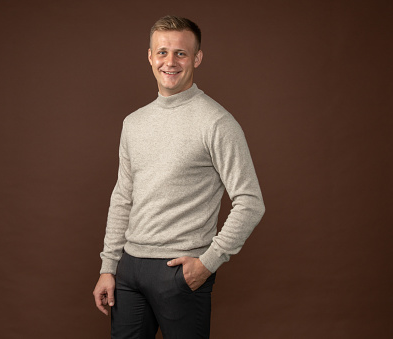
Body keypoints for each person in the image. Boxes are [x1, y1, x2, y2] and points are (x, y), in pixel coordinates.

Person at [93, 15, 265, 339]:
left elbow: (250, 201)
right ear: (150, 56)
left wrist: (208, 263)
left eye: (181, 53)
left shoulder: (216, 122)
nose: (170, 62)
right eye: (162, 52)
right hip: (129, 270)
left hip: (179, 272)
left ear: (197, 58)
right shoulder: (133, 123)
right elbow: (122, 197)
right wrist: (108, 267)